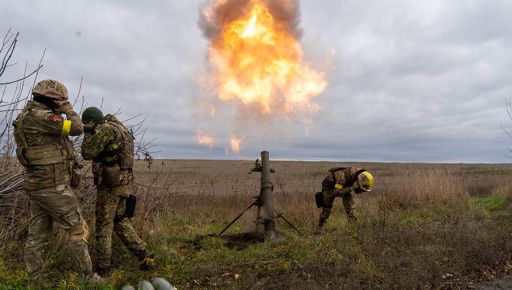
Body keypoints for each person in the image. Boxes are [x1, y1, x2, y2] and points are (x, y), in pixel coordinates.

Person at [12, 80, 102, 283]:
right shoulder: (43, 117)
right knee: (77, 228)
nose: (64, 103)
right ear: (52, 100)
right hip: (52, 186)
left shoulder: (27, 116)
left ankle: (35, 278)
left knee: (38, 233)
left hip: (37, 184)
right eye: (61, 100)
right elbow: (77, 128)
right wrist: (69, 110)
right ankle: (88, 278)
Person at [80, 106, 154, 275]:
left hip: (109, 186)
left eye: (88, 123)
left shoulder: (105, 129)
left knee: (103, 227)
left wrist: (88, 132)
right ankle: (144, 254)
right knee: (119, 221)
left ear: (92, 121)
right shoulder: (121, 129)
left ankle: (102, 269)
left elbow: (87, 152)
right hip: (123, 184)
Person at [316, 166, 374, 231]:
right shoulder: (342, 177)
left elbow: (356, 190)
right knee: (327, 209)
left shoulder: (359, 174)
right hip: (329, 188)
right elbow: (336, 192)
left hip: (343, 186)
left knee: (350, 203)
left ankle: (352, 225)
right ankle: (319, 227)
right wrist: (352, 187)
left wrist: (357, 188)